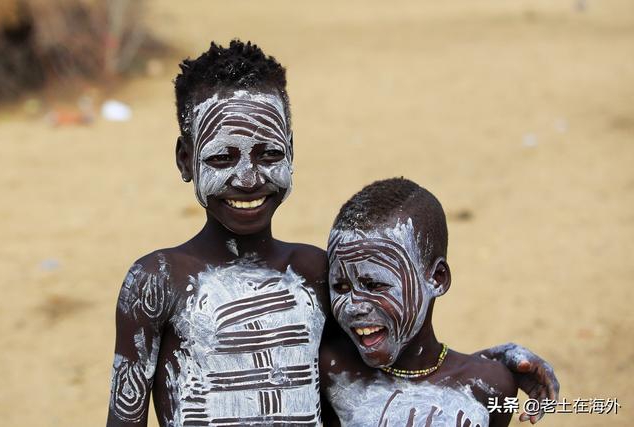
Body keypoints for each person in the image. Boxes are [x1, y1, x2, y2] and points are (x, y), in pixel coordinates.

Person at [107, 41, 558, 426]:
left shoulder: (318, 273)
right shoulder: (158, 280)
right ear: (186, 160)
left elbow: (388, 360)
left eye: (269, 154)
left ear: (291, 150)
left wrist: (487, 366)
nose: (248, 179)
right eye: (223, 158)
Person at [320, 178, 551, 426]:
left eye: (375, 285)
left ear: (437, 279)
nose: (355, 305)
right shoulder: (330, 371)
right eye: (340, 287)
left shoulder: (489, 386)